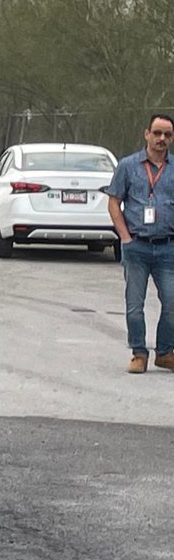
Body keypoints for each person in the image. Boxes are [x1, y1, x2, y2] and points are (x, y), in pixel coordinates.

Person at [103, 113, 174, 375]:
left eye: (167, 134)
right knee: (135, 304)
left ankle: (165, 352)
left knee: (171, 303)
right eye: (157, 133)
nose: (161, 139)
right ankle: (139, 354)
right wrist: (125, 237)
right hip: (137, 246)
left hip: (168, 247)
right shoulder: (128, 166)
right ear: (147, 134)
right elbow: (113, 202)